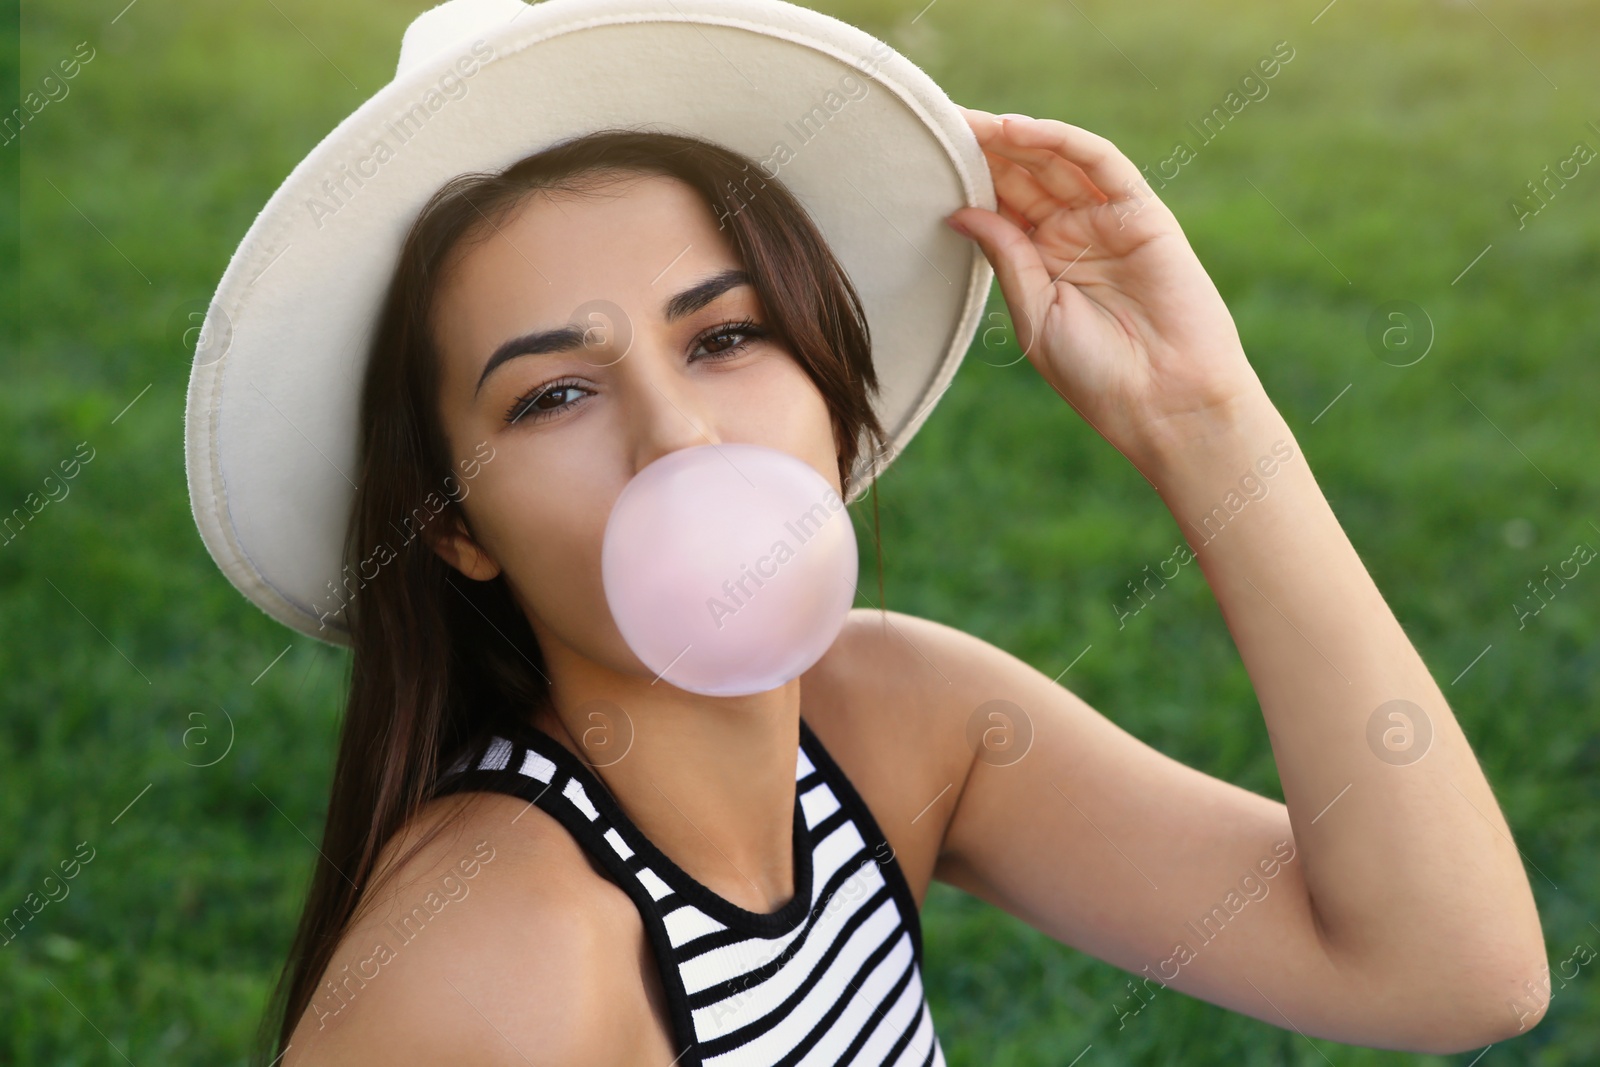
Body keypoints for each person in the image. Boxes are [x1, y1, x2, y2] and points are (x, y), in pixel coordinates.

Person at [183, 3, 1547, 1064]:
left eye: (723, 336)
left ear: (833, 394)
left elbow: (1452, 973)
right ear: (454, 530)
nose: (680, 439)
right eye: (552, 394)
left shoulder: (893, 719)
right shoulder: (499, 953)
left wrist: (1207, 422)